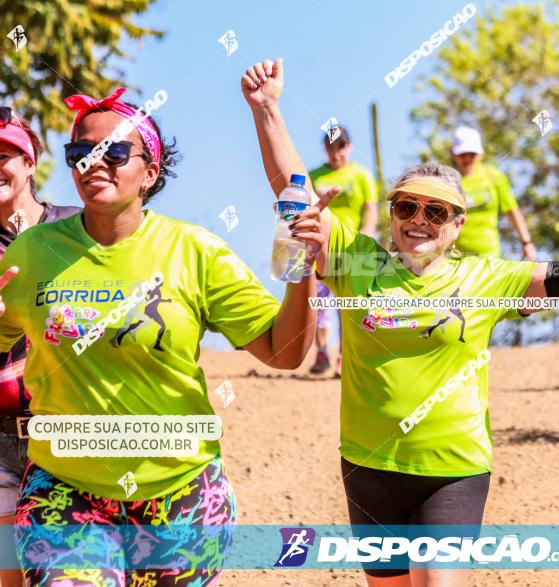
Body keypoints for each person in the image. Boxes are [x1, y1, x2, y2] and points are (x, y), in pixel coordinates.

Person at [243, 57, 559, 586]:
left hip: (453, 470)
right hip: (368, 467)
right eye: (407, 207)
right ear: (391, 214)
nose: (419, 221)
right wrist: (268, 109)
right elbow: (294, 191)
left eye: (436, 213)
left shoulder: (485, 278)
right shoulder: (356, 260)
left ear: (458, 225)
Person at [0, 87, 323, 585]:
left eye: (115, 152)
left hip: (180, 493)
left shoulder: (195, 251)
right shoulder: (33, 252)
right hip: (66, 489)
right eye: (80, 153)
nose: (95, 163)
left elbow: (284, 352)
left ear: (150, 172)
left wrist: (304, 270)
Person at [0, 107, 80, 587]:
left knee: (72, 569)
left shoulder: (75, 228)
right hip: (2, 432)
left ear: (30, 163)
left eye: (5, 154)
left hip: (73, 428)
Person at [308, 126, 378, 376]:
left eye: (340, 146)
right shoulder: (314, 175)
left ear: (348, 147)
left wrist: (366, 237)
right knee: (319, 302)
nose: (335, 151)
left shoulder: (361, 175)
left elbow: (370, 208)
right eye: (330, 146)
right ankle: (322, 353)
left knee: (349, 303)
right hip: (320, 248)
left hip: (351, 247)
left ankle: (343, 359)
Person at [448, 126, 535, 261]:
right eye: (462, 154)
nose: (467, 158)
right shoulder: (447, 181)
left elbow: (512, 211)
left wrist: (526, 242)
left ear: (480, 154)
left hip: (489, 256)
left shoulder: (494, 177)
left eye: (472, 154)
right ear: (453, 154)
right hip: (454, 258)